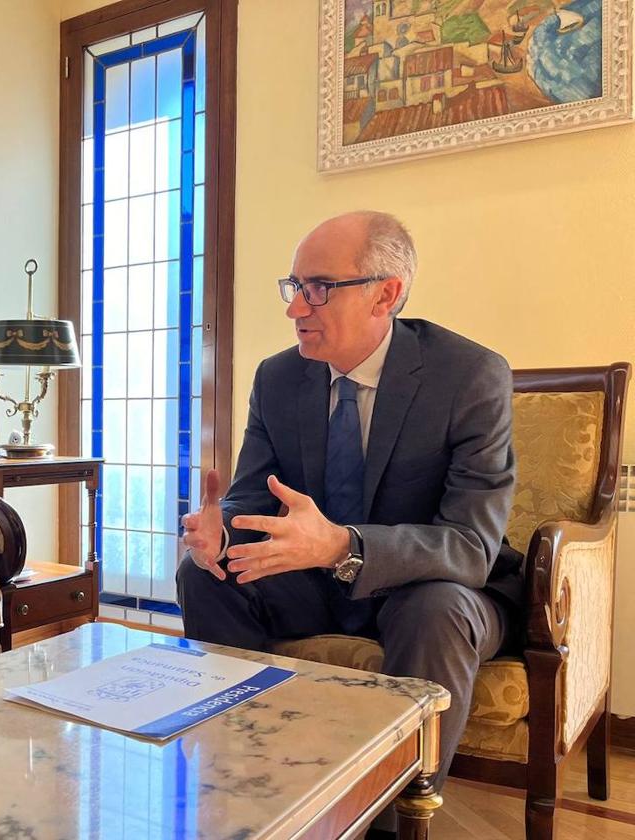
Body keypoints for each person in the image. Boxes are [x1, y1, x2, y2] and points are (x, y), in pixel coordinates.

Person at [177, 211, 522, 805]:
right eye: (294, 288)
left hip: (432, 589)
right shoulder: (279, 378)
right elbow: (255, 498)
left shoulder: (468, 376)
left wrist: (343, 545)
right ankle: (255, 773)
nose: (295, 309)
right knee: (207, 575)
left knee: (434, 609)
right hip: (318, 582)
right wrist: (224, 534)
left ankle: (397, 811)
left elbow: (469, 546)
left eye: (318, 289)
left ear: (384, 295)